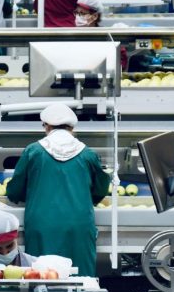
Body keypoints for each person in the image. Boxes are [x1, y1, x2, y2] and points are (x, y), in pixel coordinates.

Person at [6, 103, 111, 279]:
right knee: (80, 279)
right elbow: (100, 188)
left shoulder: (34, 151)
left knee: (42, 277)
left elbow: (15, 191)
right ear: (72, 128)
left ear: (46, 126)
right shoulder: (87, 154)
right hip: (78, 224)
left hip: (42, 224)